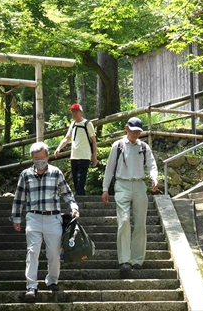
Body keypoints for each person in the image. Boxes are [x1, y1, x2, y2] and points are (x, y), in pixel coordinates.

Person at [11, 141, 79, 300]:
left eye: (42, 157)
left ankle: (52, 280)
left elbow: (67, 193)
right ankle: (31, 286)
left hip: (53, 218)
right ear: (32, 159)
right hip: (33, 217)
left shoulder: (56, 173)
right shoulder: (25, 174)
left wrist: (73, 207)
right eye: (36, 158)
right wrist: (16, 218)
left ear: (47, 157)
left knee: (54, 252)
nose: (39, 161)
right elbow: (19, 198)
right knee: (32, 251)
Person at [101, 117, 158, 272]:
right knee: (124, 221)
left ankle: (137, 260)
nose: (135, 134)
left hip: (139, 185)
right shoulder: (118, 145)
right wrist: (105, 188)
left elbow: (152, 164)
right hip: (122, 185)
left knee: (140, 224)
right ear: (126, 128)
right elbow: (110, 168)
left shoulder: (144, 147)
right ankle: (124, 260)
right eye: (133, 131)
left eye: (138, 132)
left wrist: (154, 178)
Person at [54, 103, 97, 196]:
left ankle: (78, 199)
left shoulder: (87, 124)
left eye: (76, 111)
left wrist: (94, 156)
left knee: (81, 179)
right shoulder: (72, 124)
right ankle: (81, 198)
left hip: (85, 156)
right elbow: (67, 138)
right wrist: (59, 148)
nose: (74, 114)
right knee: (76, 181)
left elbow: (93, 140)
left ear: (81, 112)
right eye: (73, 112)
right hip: (74, 156)